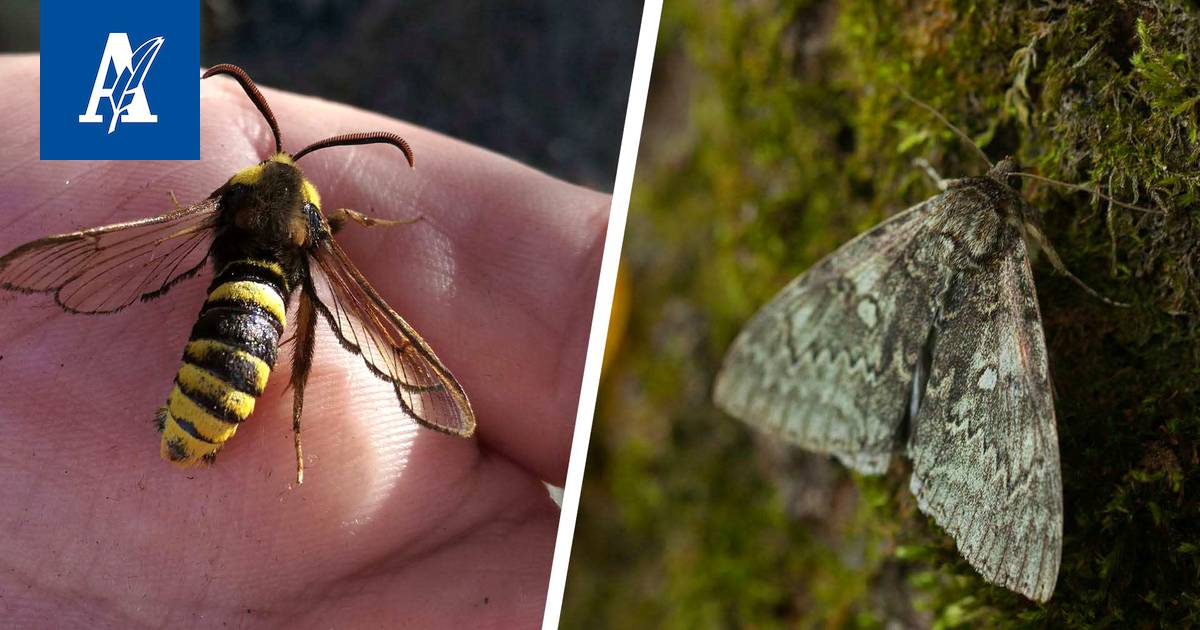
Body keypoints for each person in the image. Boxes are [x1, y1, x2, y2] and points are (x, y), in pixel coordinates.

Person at [0, 55, 604, 627]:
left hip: (224, 325)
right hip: (245, 338)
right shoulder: (318, 227)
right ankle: (288, 425)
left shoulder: (223, 196)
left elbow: (123, 233)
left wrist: (82, 79)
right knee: (312, 303)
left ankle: (231, 425)